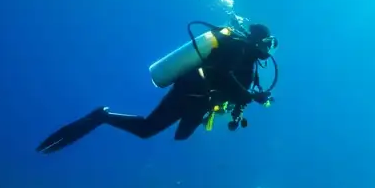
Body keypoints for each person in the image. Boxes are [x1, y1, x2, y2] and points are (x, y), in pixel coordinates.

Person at [36, 23, 277, 154]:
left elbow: (230, 86)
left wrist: (242, 102)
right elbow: (223, 75)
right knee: (155, 131)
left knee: (155, 131)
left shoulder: (247, 60)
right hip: (191, 93)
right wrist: (249, 96)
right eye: (267, 44)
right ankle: (101, 116)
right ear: (257, 40)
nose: (268, 50)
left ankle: (102, 116)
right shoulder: (237, 49)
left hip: (196, 96)